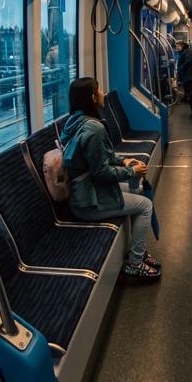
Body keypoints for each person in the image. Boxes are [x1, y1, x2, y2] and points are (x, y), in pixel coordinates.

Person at [60, 77, 161, 283]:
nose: (103, 93)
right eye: (99, 90)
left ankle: (137, 250)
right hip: (88, 201)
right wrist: (132, 172)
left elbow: (99, 157)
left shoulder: (75, 121)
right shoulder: (94, 129)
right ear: (91, 97)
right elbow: (101, 172)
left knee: (138, 190)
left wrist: (124, 162)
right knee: (145, 205)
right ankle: (135, 264)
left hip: (87, 189)